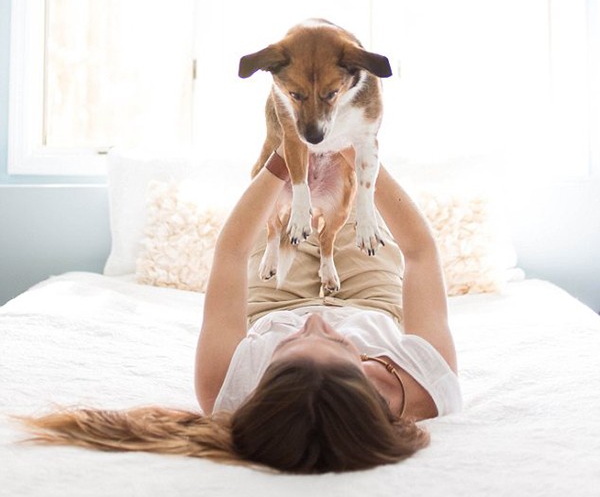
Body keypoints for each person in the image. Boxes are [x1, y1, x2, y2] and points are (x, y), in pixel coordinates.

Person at [21, 147, 461, 474]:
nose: (314, 322)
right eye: (339, 343)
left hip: (275, 299)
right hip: (372, 300)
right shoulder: (426, 386)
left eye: (289, 345)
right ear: (367, 383)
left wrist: (281, 160)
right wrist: (361, 156)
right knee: (344, 175)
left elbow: (231, 254)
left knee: (292, 187)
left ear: (263, 380)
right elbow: (420, 252)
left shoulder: (224, 388)